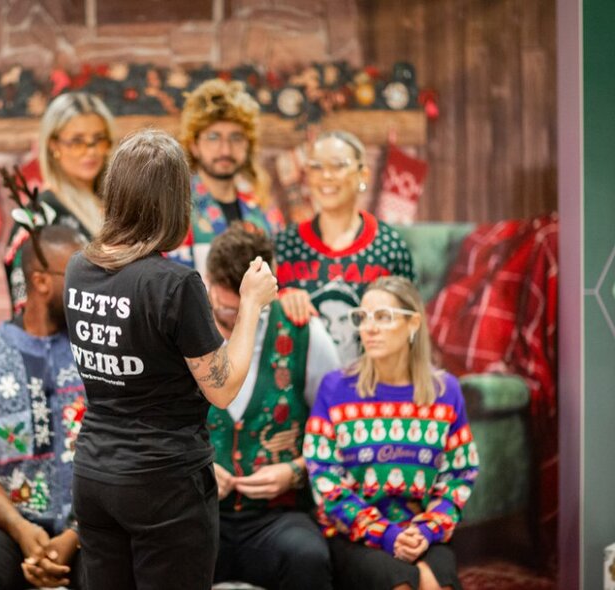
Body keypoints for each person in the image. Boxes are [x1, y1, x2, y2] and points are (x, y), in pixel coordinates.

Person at [63, 130, 278, 590]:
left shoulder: (79, 267)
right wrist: (252, 305)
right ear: (174, 202)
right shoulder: (174, 284)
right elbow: (222, 388)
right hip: (163, 483)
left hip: (95, 474)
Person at [304, 276, 478, 590]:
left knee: (436, 583)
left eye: (384, 317)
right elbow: (325, 480)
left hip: (422, 532)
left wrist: (425, 531)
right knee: (402, 584)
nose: (368, 328)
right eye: (363, 317)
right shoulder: (336, 388)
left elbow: (459, 474)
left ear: (413, 324)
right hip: (353, 536)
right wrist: (386, 533)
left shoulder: (445, 391)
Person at [0, 224, 87, 590]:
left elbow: (124, 454)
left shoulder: (99, 353)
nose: (89, 286)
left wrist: (74, 535)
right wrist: (20, 528)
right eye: (78, 274)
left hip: (89, 529)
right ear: (40, 282)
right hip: (9, 524)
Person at [204, 225, 340, 590]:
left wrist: (296, 471)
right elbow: (160, 427)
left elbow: (336, 430)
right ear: (207, 282)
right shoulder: (185, 330)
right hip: (200, 515)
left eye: (248, 310)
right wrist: (193, 468)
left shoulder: (305, 332)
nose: (233, 324)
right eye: (225, 310)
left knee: (308, 557)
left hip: (276, 517)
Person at [275, 131, 415, 364]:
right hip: (297, 387)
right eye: (316, 167)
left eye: (338, 166)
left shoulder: (390, 246)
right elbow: (259, 320)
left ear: (363, 174)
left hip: (368, 388)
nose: (326, 176)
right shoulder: (284, 245)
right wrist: (280, 300)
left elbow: (410, 327)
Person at [5, 92, 115, 311]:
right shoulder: (38, 215)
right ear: (54, 145)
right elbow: (26, 306)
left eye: (98, 139)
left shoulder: (116, 207)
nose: (90, 151)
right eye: (77, 141)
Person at [168, 78, 281, 275]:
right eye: (213, 137)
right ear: (194, 145)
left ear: (248, 144)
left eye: (236, 137)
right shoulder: (175, 208)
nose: (225, 149)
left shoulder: (262, 209)